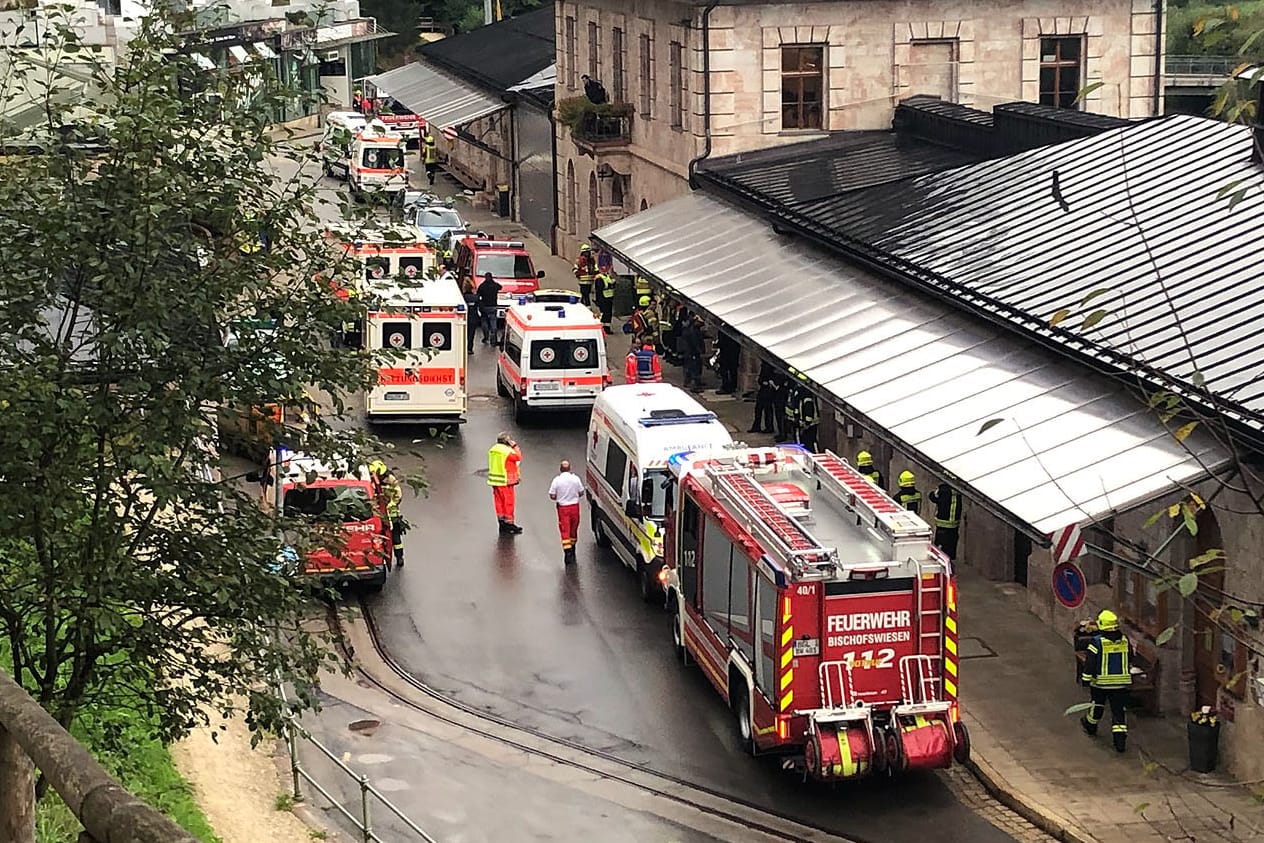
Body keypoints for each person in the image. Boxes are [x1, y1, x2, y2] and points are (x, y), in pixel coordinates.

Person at [1080, 609, 1134, 753]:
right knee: (1118, 712)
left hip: (1100, 684)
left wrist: (1085, 679)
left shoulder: (1097, 642)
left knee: (1097, 706)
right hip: (1121, 684)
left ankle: (1090, 726)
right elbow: (1130, 657)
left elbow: (1090, 663)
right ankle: (1120, 742)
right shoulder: (1125, 640)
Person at [369, 460, 406, 568]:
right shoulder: (373, 481)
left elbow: (398, 495)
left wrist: (391, 505)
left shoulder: (391, 480)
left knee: (396, 539)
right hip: (379, 515)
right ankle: (380, 558)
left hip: (392, 515)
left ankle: (399, 557)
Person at [548, 460, 585, 564]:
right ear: (569, 468)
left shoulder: (557, 480)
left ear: (560, 469)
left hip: (563, 508)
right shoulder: (575, 479)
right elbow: (581, 492)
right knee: (574, 528)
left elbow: (552, 495)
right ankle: (573, 547)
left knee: (565, 530)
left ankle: (567, 552)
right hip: (575, 507)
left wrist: (559, 497)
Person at [487, 433, 523, 534]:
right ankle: (509, 525)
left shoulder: (493, 449)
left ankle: (501, 523)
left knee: (499, 503)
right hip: (505, 480)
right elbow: (518, 457)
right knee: (508, 503)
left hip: (495, 480)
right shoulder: (507, 451)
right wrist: (514, 445)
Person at [929, 481, 962, 561]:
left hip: (942, 524)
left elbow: (933, 497)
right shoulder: (958, 490)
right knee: (951, 548)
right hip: (954, 525)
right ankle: (950, 564)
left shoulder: (942, 489)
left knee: (940, 549)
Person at [749, 363, 778, 434]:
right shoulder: (765, 365)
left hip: (768, 391)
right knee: (758, 409)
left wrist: (766, 382)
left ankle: (769, 427)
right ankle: (757, 426)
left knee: (767, 409)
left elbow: (767, 378)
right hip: (763, 390)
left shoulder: (769, 366)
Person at [680, 313, 705, 393]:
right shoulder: (693, 330)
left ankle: (689, 382)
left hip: (690, 351)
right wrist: (699, 350)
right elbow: (695, 342)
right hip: (692, 352)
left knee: (691, 366)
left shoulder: (690, 328)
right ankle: (695, 385)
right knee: (695, 368)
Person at [476, 272, 501, 345]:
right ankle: (493, 338)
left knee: (484, 322)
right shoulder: (494, 285)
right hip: (493, 306)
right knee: (493, 322)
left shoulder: (482, 286)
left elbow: (478, 294)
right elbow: (500, 287)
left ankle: (486, 337)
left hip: (484, 306)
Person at [797, 380, 819, 451]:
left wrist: (806, 425)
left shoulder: (807, 399)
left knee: (809, 444)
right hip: (808, 425)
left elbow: (808, 415)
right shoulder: (805, 397)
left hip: (810, 426)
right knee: (807, 443)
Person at [716, 330, 740, 395]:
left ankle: (727, 387)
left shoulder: (724, 330)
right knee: (731, 370)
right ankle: (731, 386)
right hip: (731, 352)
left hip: (727, 352)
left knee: (727, 370)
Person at [462, 276, 479, 355]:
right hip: (474, 318)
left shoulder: (462, 297)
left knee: (463, 333)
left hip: (464, 318)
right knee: (471, 334)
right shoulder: (476, 297)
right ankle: (469, 348)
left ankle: (462, 347)